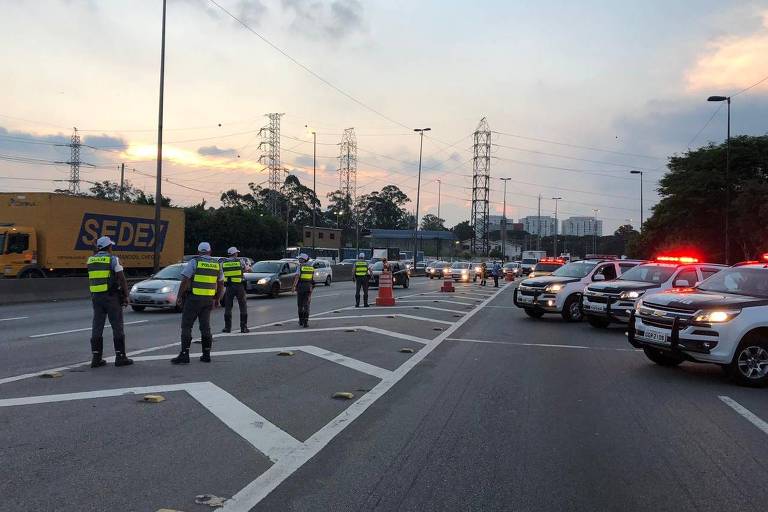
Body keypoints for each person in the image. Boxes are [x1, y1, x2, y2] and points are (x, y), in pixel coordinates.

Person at [171, 242, 224, 364]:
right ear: (210, 251)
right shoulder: (217, 264)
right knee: (205, 327)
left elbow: (185, 280)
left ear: (199, 251)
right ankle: (206, 354)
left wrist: (179, 296)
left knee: (187, 326)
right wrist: (217, 298)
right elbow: (221, 283)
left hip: (194, 299)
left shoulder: (195, 262)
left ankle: (184, 354)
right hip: (208, 300)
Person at [88, 236, 133, 368]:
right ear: (109, 247)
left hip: (96, 298)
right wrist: (126, 295)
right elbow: (122, 279)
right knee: (117, 326)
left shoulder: (91, 260)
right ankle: (120, 357)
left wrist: (93, 248)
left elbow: (96, 257)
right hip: (111, 297)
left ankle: (96, 358)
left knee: (97, 326)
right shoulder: (113, 259)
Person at [222, 246, 250, 334]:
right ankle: (243, 327)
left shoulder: (223, 263)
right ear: (235, 253)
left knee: (228, 307)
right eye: (237, 253)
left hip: (229, 287)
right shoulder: (240, 261)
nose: (238, 254)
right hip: (239, 286)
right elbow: (247, 269)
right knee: (243, 306)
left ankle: (227, 328)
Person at [295, 253, 314, 327]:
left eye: (300, 258)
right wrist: (311, 290)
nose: (299, 259)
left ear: (303, 259)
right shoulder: (311, 267)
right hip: (308, 287)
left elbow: (297, 277)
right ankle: (306, 322)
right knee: (306, 305)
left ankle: (301, 321)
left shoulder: (300, 267)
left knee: (300, 305)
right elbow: (312, 280)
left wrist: (293, 286)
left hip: (300, 287)